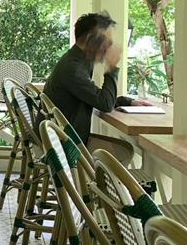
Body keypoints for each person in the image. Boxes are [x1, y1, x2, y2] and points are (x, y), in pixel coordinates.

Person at [42, 11, 149, 164]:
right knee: (123, 152)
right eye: (106, 42)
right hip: (61, 144)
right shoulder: (73, 68)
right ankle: (87, 180)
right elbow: (104, 103)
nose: (108, 48)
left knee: (124, 149)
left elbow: (93, 97)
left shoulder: (78, 61)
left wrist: (127, 101)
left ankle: (91, 179)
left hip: (63, 136)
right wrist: (111, 69)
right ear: (89, 38)